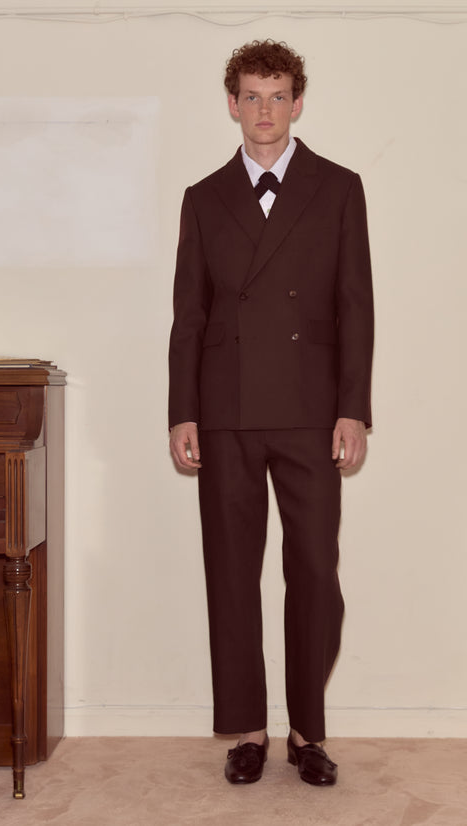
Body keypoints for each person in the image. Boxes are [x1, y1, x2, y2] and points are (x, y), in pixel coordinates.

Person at [168, 39, 373, 786]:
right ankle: (250, 730)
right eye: (250, 95)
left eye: (277, 95)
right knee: (231, 571)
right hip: (224, 410)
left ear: (297, 102)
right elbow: (188, 316)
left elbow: (357, 309)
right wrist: (181, 410)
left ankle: (306, 732)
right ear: (231, 103)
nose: (264, 109)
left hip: (312, 410)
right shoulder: (202, 197)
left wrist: (354, 409)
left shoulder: (339, 187)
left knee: (315, 571)